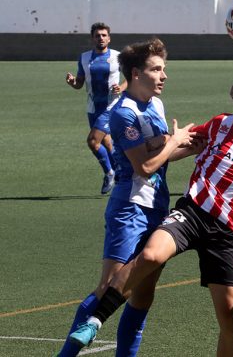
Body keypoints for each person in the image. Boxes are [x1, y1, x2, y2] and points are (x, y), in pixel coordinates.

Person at [67, 76, 233, 356]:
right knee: (150, 255)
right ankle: (95, 321)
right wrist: (151, 150)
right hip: (190, 212)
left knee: (230, 316)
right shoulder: (221, 123)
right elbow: (183, 143)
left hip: (224, 231)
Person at [56, 38, 198, 357]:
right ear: (135, 73)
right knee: (110, 287)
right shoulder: (123, 113)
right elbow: (144, 167)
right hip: (130, 208)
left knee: (142, 294)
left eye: (164, 69)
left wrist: (191, 147)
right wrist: (175, 141)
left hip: (157, 207)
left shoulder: (156, 105)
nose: (164, 76)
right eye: (156, 69)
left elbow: (160, 152)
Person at [66, 22, 127, 194]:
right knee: (107, 142)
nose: (100, 38)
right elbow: (79, 83)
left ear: (109, 38)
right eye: (97, 35)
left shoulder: (117, 56)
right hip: (93, 107)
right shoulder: (84, 58)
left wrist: (121, 87)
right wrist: (72, 83)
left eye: (103, 35)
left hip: (111, 106)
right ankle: (122, 174)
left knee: (93, 141)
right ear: (92, 38)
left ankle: (110, 173)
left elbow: (130, 78)